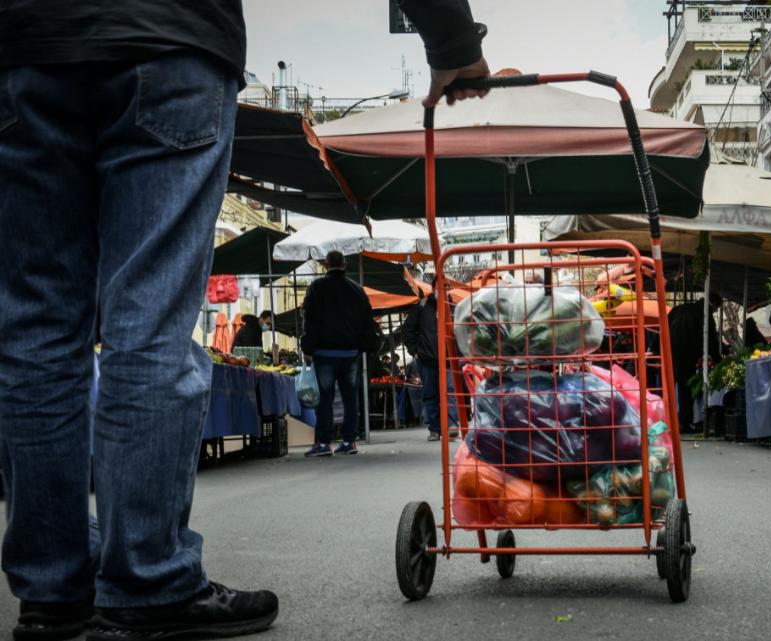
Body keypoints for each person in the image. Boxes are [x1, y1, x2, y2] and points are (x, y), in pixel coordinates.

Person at [0, 1, 491, 638]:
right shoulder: (348, 292)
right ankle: (146, 581)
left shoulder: (326, 296)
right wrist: (451, 39)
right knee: (148, 323)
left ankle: (50, 593)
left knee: (37, 329)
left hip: (24, 46)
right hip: (167, 40)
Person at [301, 251, 378, 457]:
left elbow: (310, 319)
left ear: (326, 265)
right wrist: (362, 346)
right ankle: (349, 440)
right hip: (350, 353)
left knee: (325, 398)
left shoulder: (317, 287)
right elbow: (367, 320)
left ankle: (324, 443)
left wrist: (308, 347)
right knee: (350, 396)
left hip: (324, 352)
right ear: (344, 265)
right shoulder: (357, 289)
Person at [667, 297, 721, 433]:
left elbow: (662, 326)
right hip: (687, 355)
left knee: (669, 388)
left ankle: (668, 420)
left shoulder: (678, 309)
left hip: (670, 353)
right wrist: (719, 360)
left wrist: (655, 349)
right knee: (685, 390)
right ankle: (685, 423)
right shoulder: (705, 314)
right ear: (714, 305)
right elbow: (712, 339)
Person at [403, 290, 449, 440]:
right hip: (427, 358)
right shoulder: (421, 306)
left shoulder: (451, 305)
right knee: (430, 395)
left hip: (448, 360)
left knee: (450, 394)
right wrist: (414, 351)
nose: (442, 291)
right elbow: (408, 329)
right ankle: (435, 429)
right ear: (434, 288)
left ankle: (450, 427)